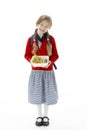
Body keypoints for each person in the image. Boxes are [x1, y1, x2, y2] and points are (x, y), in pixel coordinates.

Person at [24, 15, 59, 126]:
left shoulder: (51, 39)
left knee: (47, 94)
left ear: (49, 28)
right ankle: (39, 115)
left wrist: (50, 62)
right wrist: (31, 60)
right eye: (41, 25)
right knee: (37, 94)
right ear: (37, 24)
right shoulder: (30, 39)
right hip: (36, 72)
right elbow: (26, 55)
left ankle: (46, 115)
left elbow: (55, 55)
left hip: (48, 72)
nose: (43, 28)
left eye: (46, 26)